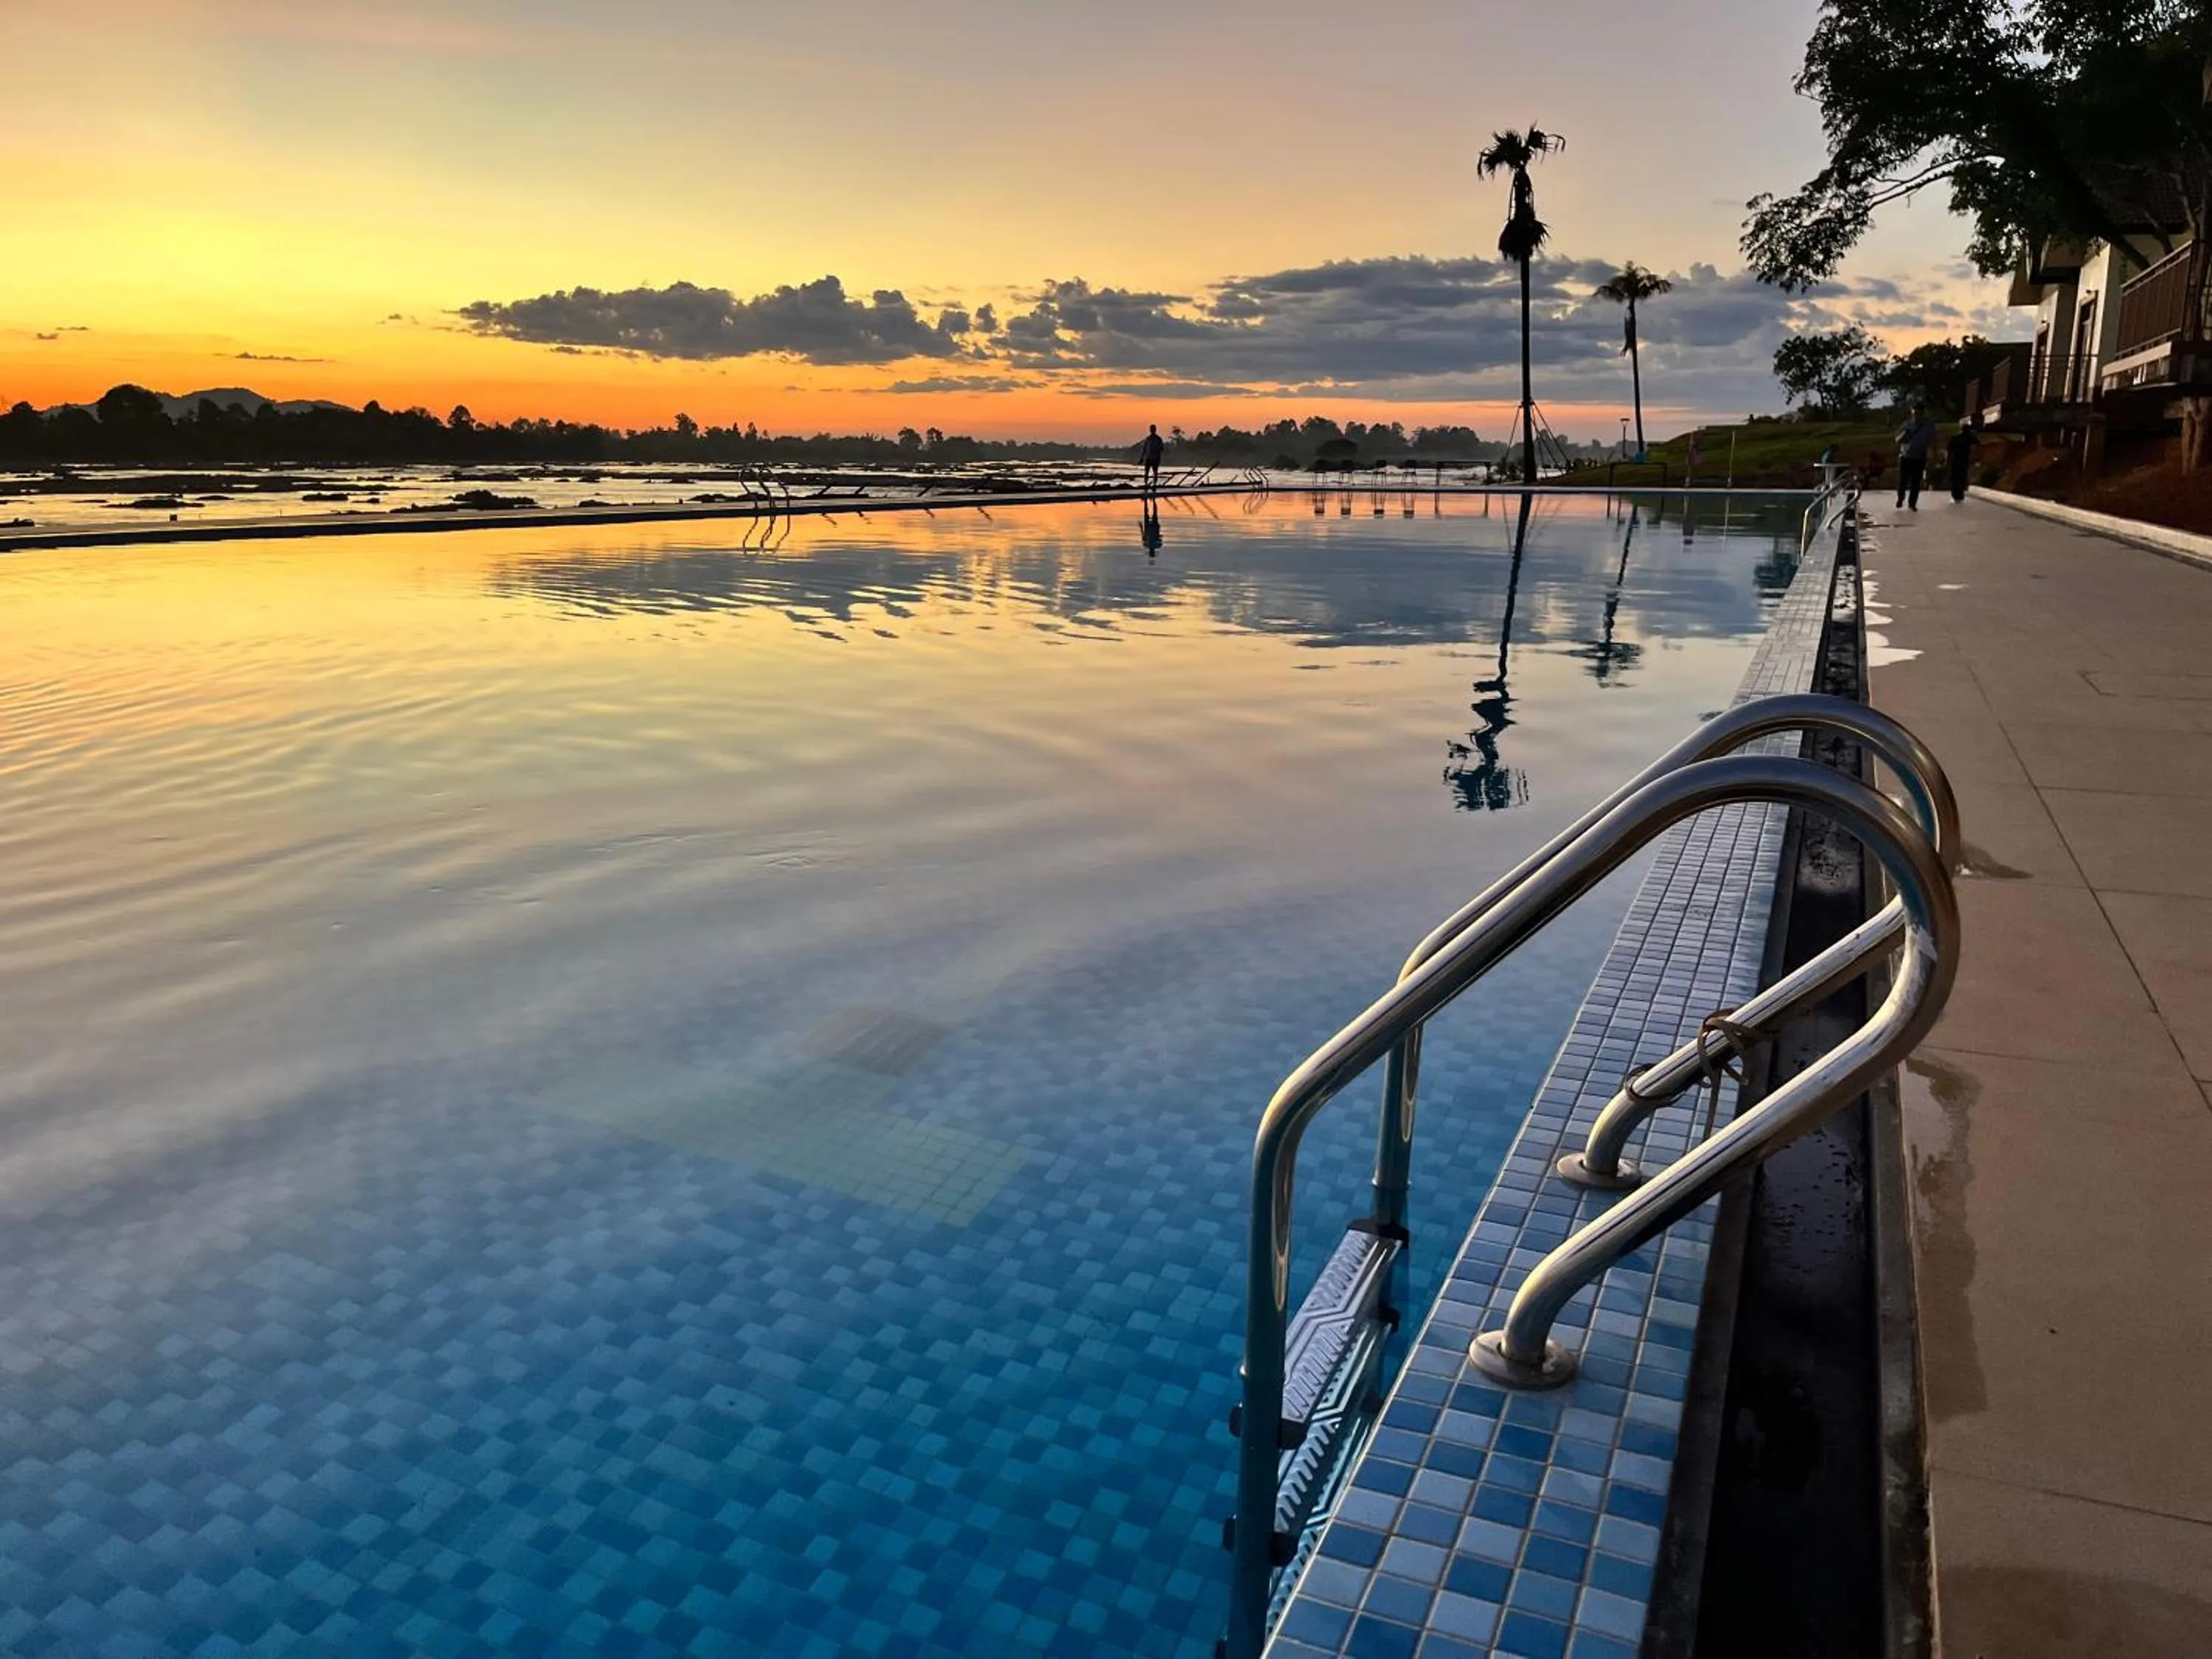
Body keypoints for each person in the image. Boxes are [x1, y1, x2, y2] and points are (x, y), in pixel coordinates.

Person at [1895, 404, 1938, 510]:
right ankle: (1901, 498)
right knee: (1903, 481)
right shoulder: (1907, 424)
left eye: (1918, 414)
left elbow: (1933, 442)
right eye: (1913, 414)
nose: (1915, 416)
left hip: (1919, 457)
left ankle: (1912, 503)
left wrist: (1934, 457)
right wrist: (1904, 434)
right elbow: (1897, 440)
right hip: (1905, 456)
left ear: (1923, 414)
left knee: (1916, 481)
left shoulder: (1929, 426)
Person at [1946, 421, 1977, 503]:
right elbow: (1977, 445)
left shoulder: (1955, 438)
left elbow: (1949, 450)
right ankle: (1960, 494)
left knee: (1955, 477)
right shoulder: (1970, 438)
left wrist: (1947, 461)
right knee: (1962, 477)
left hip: (1955, 460)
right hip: (1964, 460)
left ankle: (1955, 494)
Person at [1138, 424, 1166, 490]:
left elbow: (1162, 449)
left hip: (1155, 459)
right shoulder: (1148, 439)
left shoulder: (1158, 439)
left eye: (1153, 429)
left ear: (1155, 430)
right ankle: (1146, 485)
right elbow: (1144, 449)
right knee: (1146, 473)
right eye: (1151, 429)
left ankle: (1154, 485)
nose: (1152, 430)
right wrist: (1141, 458)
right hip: (1148, 458)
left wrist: (1157, 449)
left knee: (1155, 473)